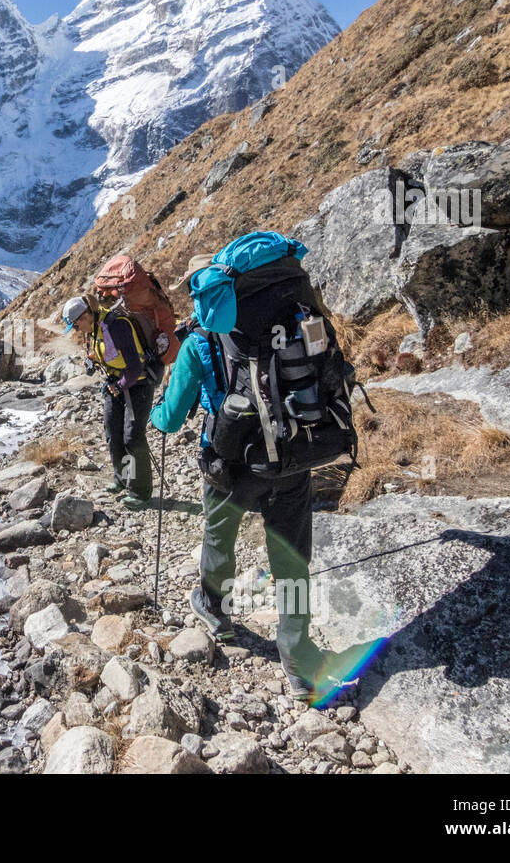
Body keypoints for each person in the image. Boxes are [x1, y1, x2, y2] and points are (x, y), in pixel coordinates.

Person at [149, 253, 328, 701]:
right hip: (290, 458)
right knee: (291, 558)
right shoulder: (282, 320)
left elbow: (170, 420)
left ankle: (215, 609)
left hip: (229, 466)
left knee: (219, 536)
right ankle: (298, 656)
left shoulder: (198, 343)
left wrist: (154, 412)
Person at [62, 293, 159, 510]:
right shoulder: (96, 328)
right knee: (112, 432)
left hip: (138, 385)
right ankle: (122, 478)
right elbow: (107, 353)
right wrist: (93, 360)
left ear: (85, 315)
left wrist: (119, 386)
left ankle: (140, 492)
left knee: (132, 437)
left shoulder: (116, 325)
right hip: (116, 383)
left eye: (76, 326)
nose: (77, 331)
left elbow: (134, 367)